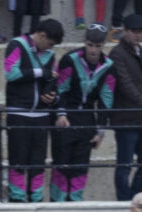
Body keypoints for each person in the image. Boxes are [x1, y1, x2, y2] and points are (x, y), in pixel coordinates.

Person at [51, 26, 116, 202]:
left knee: (81, 165)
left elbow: (106, 99)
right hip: (67, 115)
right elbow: (61, 89)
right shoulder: (70, 59)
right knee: (62, 162)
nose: (93, 50)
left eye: (98, 46)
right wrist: (61, 113)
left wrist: (100, 130)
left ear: (103, 45)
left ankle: (75, 202)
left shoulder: (109, 66)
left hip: (87, 117)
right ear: (84, 42)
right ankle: (57, 202)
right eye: (90, 45)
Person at [4, 18, 64, 202]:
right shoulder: (16, 45)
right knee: (18, 159)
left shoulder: (49, 53)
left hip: (42, 115)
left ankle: (36, 198)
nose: (51, 48)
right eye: (50, 44)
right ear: (42, 36)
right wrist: (40, 72)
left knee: (39, 161)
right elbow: (11, 73)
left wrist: (52, 96)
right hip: (19, 112)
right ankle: (17, 198)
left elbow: (53, 79)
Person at [109, 13, 142, 202]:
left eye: (140, 32)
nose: (138, 35)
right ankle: (125, 202)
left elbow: (141, 85)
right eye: (134, 31)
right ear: (125, 31)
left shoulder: (139, 51)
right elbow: (125, 84)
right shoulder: (117, 53)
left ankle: (133, 200)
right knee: (125, 165)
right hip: (126, 117)